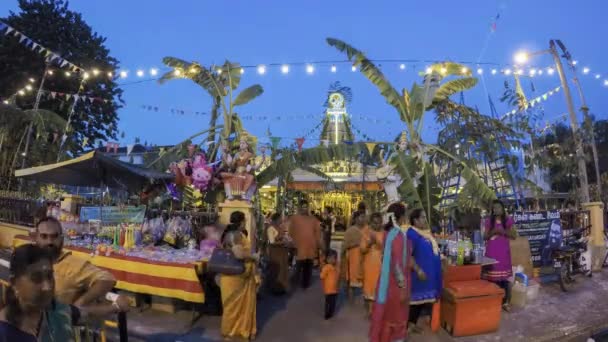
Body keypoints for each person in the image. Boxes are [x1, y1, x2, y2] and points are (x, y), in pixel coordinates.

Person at [0, 244, 130, 342]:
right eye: (36, 278)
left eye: (50, 276)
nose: (47, 286)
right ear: (14, 283)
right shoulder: (4, 332)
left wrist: (116, 307)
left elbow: (85, 314)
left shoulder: (56, 311)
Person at [34, 217, 116, 306]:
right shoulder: (28, 260)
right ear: (35, 238)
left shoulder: (75, 265)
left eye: (54, 236)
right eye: (44, 236)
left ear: (62, 239)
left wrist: (78, 305)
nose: (49, 241)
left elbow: (107, 279)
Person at [369, 202, 415, 342]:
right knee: (397, 316)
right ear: (400, 217)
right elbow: (396, 264)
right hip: (397, 285)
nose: (406, 218)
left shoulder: (388, 234)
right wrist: (402, 287)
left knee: (387, 314)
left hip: (388, 282)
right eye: (404, 215)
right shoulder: (398, 236)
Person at [220, 225, 260, 340]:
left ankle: (230, 331)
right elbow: (238, 254)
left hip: (230, 276)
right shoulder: (235, 235)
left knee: (231, 306)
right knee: (235, 306)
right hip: (238, 277)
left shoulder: (228, 235)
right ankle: (236, 331)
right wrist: (254, 257)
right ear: (240, 221)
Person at [407, 208, 442, 331]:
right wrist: (418, 270)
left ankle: (413, 325)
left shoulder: (425, 233)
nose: (425, 220)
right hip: (419, 274)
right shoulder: (411, 234)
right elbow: (408, 254)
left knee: (423, 301)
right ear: (415, 220)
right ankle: (409, 326)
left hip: (430, 274)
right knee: (416, 301)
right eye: (422, 217)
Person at [483, 200, 517, 311]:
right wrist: (494, 232)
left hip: (503, 253)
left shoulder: (508, 220)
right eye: (494, 207)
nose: (496, 209)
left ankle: (505, 302)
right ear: (492, 210)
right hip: (492, 253)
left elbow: (514, 235)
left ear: (503, 209)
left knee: (504, 279)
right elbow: (485, 236)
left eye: (499, 207)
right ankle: (493, 303)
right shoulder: (488, 221)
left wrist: (502, 232)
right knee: (492, 279)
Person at [287, 200, 322, 289]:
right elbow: (290, 232)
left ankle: (305, 284)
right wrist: (292, 244)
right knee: (297, 267)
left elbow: (318, 233)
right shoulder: (294, 218)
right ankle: (294, 284)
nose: (305, 209)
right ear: (299, 208)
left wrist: (318, 244)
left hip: (310, 248)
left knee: (308, 267)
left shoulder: (313, 219)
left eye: (306, 207)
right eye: (303, 207)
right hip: (298, 248)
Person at [360, 212, 385, 316]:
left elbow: (387, 248)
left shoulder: (385, 233)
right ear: (371, 223)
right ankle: (370, 310)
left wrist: (378, 243)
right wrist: (370, 243)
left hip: (381, 263)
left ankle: (378, 308)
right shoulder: (366, 233)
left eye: (379, 223)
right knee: (370, 285)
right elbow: (362, 249)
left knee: (379, 285)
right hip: (369, 263)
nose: (377, 225)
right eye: (374, 223)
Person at [341, 210, 365, 301]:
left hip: (364, 258)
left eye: (364, 217)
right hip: (353, 258)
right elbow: (344, 246)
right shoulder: (350, 231)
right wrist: (355, 244)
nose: (363, 219)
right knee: (351, 281)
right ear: (355, 219)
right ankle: (350, 301)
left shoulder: (367, 229)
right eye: (361, 217)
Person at [266, 213, 290, 294]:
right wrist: (283, 242)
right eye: (280, 218)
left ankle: (282, 288)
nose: (282, 220)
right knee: (276, 270)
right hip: (275, 252)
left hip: (282, 252)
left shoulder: (280, 227)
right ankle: (275, 289)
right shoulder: (270, 228)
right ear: (276, 219)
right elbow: (272, 242)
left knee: (283, 270)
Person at [320, 249, 339, 320]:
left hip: (335, 290)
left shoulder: (336, 267)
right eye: (329, 258)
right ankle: (327, 314)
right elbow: (321, 276)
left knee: (333, 303)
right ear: (327, 259)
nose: (331, 260)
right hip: (328, 290)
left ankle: (331, 313)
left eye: (333, 258)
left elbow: (338, 277)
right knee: (328, 303)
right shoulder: (326, 267)